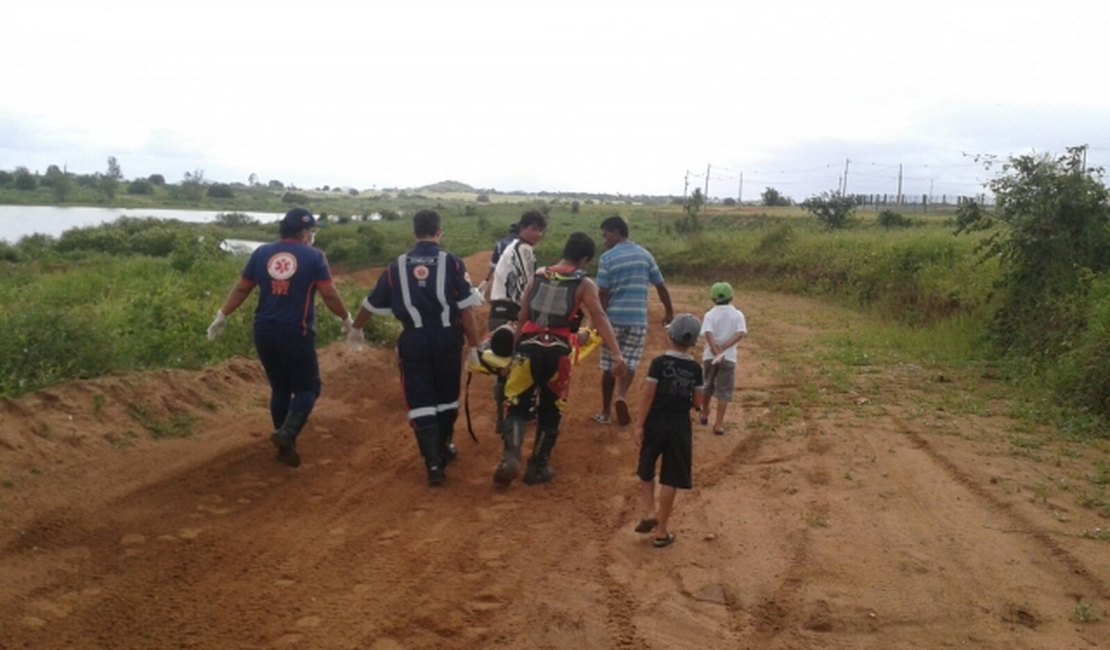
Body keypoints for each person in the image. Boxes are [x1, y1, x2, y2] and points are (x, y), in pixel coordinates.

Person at [206, 207, 354, 468]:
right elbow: (329, 294)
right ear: (303, 232)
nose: (313, 235)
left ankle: (286, 444)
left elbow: (243, 287)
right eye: (311, 230)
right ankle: (287, 433)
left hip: (264, 330)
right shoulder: (314, 257)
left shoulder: (262, 253)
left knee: (281, 388)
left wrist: (222, 314)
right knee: (308, 388)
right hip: (296, 331)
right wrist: (346, 319)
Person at [348, 209, 482, 486]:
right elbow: (467, 312)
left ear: (414, 233)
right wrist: (475, 346)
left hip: (414, 340)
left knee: (420, 399)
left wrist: (356, 329)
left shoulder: (396, 266)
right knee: (447, 397)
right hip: (448, 339)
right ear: (439, 232)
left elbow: (370, 304)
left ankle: (433, 464)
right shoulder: (453, 264)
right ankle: (444, 447)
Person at [494, 232, 627, 487]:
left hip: (527, 351)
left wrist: (514, 352)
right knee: (551, 410)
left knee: (517, 407)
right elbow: (598, 316)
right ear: (585, 258)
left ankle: (511, 455)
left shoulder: (539, 275)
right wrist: (617, 353)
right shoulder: (584, 283)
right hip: (558, 355)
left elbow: (522, 316)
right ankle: (537, 467)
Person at [593, 215, 674, 427]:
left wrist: (597, 319)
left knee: (610, 364)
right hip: (637, 319)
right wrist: (669, 312)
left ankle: (604, 412)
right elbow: (661, 286)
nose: (604, 240)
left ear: (617, 232)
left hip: (613, 321)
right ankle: (621, 396)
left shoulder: (607, 258)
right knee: (629, 362)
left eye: (606, 235)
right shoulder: (645, 255)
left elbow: (603, 292)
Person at [632, 313, 704, 549]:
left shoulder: (658, 363)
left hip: (655, 422)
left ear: (670, 335)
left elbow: (648, 394)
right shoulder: (695, 368)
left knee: (646, 466)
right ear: (693, 341)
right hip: (679, 426)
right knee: (671, 477)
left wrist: (639, 425)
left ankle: (649, 510)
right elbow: (697, 402)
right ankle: (661, 531)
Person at [485, 210, 546, 435]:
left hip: (497, 312)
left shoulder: (512, 247)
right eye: (533, 228)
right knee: (521, 366)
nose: (537, 233)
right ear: (521, 229)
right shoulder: (523, 249)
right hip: (511, 314)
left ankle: (502, 419)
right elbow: (525, 287)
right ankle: (517, 415)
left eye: (540, 229)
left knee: (503, 368)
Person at [699, 281, 747, 435]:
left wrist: (714, 349)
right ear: (731, 297)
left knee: (707, 385)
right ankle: (718, 424)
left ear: (712, 298)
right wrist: (724, 348)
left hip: (710, 356)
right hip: (728, 358)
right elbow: (740, 333)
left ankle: (705, 412)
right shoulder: (738, 314)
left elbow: (707, 332)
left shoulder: (709, 314)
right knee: (723, 391)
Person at [478, 222, 520, 301]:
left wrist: (487, 278)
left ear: (509, 231)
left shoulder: (501, 243)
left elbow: (494, 263)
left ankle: (481, 293)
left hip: (502, 274)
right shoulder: (522, 244)